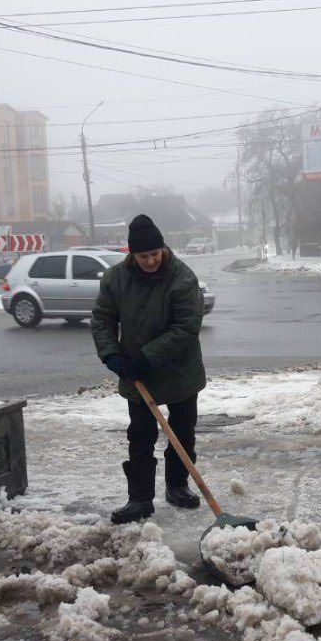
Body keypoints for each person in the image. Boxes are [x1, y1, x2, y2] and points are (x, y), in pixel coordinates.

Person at [91, 214, 206, 524]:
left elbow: (186, 327)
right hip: (136, 372)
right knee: (140, 436)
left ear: (162, 249)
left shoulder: (182, 278)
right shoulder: (116, 279)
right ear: (132, 255)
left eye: (155, 253)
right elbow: (102, 318)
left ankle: (177, 485)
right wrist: (111, 354)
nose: (151, 260)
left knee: (182, 432)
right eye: (143, 256)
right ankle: (140, 498)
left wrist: (148, 356)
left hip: (180, 369)